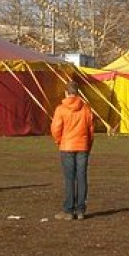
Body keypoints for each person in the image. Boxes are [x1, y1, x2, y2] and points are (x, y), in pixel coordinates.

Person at [51, 80, 94, 221]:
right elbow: (90, 130)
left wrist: (60, 141)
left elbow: (56, 129)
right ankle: (81, 210)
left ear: (66, 93)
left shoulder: (61, 109)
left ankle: (69, 210)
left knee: (70, 178)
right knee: (81, 178)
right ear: (78, 93)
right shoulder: (86, 109)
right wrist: (88, 145)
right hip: (82, 146)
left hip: (67, 146)